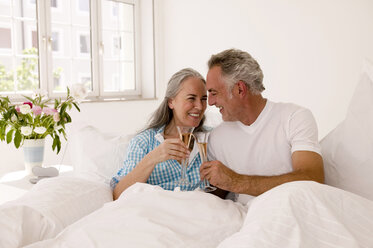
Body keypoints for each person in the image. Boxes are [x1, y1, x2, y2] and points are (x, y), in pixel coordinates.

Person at [200, 49, 324, 204]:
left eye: (214, 92)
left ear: (240, 89)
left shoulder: (294, 117)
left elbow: (312, 178)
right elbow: (215, 197)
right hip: (245, 221)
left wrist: (236, 181)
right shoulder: (217, 137)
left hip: (290, 213)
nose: (210, 102)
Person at [111, 68, 207, 200]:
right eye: (191, 98)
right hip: (158, 213)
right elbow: (118, 195)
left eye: (203, 99)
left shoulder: (210, 139)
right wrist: (153, 158)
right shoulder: (144, 142)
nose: (200, 106)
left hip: (202, 213)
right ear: (171, 102)